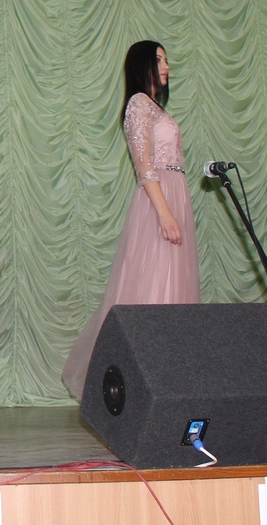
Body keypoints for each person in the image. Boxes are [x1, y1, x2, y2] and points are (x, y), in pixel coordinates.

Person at [63, 41, 200, 399]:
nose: (166, 66)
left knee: (172, 288)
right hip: (158, 201)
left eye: (167, 59)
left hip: (172, 194)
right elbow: (144, 166)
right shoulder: (139, 104)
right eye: (159, 59)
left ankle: (168, 380)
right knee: (153, 288)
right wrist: (165, 213)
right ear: (142, 65)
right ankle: (140, 383)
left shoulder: (154, 107)